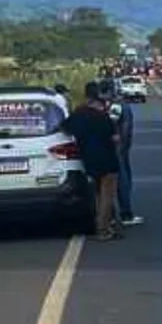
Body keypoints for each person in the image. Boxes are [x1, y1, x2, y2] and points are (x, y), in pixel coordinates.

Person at [61, 81, 123, 241]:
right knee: (107, 196)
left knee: (96, 194)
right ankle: (103, 229)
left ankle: (103, 223)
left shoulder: (78, 115)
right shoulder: (103, 117)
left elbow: (64, 129)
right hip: (108, 160)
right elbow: (115, 138)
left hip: (88, 160)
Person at [104, 83, 143, 226]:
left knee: (116, 182)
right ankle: (125, 214)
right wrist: (121, 146)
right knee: (122, 182)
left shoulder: (114, 107)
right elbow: (120, 128)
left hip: (118, 148)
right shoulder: (118, 107)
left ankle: (112, 215)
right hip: (119, 149)